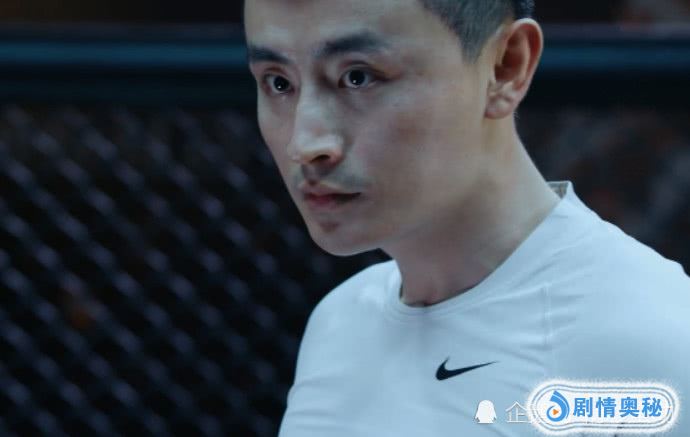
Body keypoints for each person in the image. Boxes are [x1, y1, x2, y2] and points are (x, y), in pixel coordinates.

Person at [242, 0, 690, 435]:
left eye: (358, 77)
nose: (304, 143)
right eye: (278, 83)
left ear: (505, 67)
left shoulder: (651, 339)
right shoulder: (341, 320)